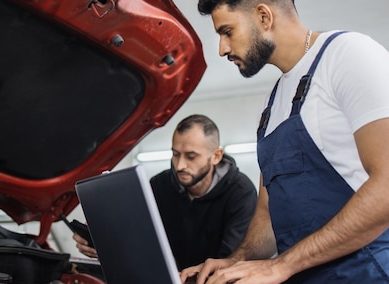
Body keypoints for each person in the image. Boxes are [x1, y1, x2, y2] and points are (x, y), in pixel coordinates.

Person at [179, 0, 389, 284]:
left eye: (227, 32)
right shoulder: (273, 102)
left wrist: (279, 266)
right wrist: (237, 261)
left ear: (263, 16)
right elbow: (267, 211)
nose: (222, 48)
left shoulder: (350, 56)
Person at [73, 114, 257, 269]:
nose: (180, 165)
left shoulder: (241, 193)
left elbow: (229, 262)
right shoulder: (159, 185)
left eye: (191, 156)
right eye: (175, 154)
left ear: (216, 156)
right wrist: (105, 243)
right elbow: (138, 237)